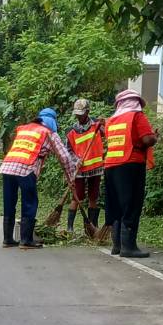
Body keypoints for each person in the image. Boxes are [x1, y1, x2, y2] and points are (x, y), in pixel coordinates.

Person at [0, 107, 77, 249]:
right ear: (53, 121)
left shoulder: (25, 128)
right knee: (29, 202)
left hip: (7, 166)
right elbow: (65, 157)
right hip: (26, 168)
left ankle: (8, 239)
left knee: (9, 202)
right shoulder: (49, 133)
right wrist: (72, 178)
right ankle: (26, 240)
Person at [102, 88, 157, 258]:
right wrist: (155, 137)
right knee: (131, 205)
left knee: (117, 206)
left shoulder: (111, 121)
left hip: (110, 165)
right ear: (136, 102)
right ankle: (129, 246)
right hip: (130, 165)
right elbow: (147, 139)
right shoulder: (136, 116)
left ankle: (117, 245)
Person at [65, 99, 105, 235]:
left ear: (87, 112)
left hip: (96, 168)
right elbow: (68, 151)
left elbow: (110, 136)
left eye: (81, 114)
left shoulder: (97, 126)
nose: (78, 116)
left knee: (94, 197)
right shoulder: (71, 131)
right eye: (77, 114)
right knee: (77, 197)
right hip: (80, 170)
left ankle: (92, 227)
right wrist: (76, 160)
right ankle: (69, 228)